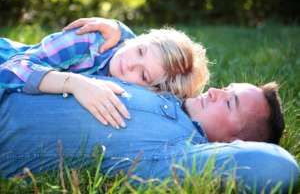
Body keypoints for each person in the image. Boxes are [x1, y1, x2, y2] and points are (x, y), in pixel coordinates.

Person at [0, 76, 298, 193]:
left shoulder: (176, 153)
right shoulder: (164, 94)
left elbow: (277, 166)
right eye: (228, 88)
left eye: (230, 102)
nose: (216, 92)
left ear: (235, 144)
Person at [0, 18, 209, 128]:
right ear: (136, 39)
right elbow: (13, 68)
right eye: (140, 51)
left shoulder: (137, 96)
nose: (129, 63)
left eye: (143, 75)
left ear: (151, 91)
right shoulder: (86, 42)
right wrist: (73, 82)